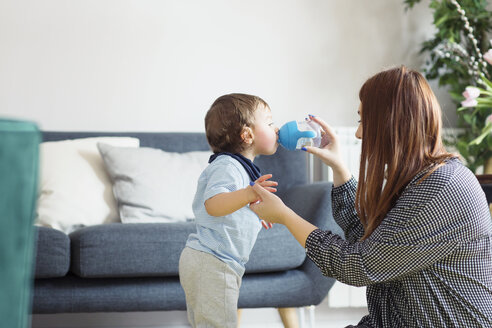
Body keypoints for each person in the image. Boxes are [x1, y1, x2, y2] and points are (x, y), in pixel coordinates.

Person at [249, 66, 492, 327]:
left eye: (363, 122)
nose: (358, 134)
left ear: (390, 123)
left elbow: (357, 265)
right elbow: (365, 239)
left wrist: (285, 215)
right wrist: (339, 168)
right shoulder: (416, 180)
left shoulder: (441, 188)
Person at [179, 93, 279, 327]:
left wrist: (253, 212)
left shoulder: (238, 168)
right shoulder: (228, 166)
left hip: (214, 261)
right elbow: (214, 204)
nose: (276, 129)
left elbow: (231, 204)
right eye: (270, 122)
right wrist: (249, 194)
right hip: (213, 261)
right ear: (247, 134)